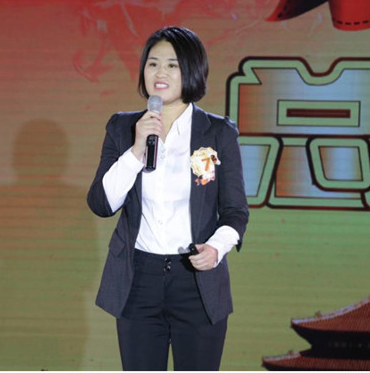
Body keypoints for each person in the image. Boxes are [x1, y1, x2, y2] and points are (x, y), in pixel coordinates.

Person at [87, 26, 249, 371]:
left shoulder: (217, 132)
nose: (160, 73)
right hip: (138, 278)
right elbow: (101, 203)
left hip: (197, 280)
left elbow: (235, 211)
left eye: (172, 65)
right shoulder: (123, 127)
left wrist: (215, 248)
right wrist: (135, 150)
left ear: (192, 71)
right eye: (153, 64)